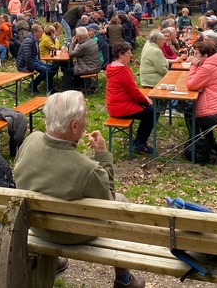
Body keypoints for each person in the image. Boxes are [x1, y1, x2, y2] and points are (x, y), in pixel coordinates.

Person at [13, 91, 145, 288]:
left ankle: (54, 260)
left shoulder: (31, 140)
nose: (86, 120)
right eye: (84, 116)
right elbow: (108, 204)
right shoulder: (88, 169)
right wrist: (102, 155)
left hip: (38, 227)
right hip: (71, 234)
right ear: (74, 126)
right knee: (121, 200)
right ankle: (123, 279)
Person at [106, 42, 157, 154]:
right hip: (121, 108)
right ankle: (140, 144)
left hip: (113, 105)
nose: (131, 55)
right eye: (128, 53)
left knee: (147, 110)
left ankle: (138, 141)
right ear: (121, 54)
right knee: (153, 112)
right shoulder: (123, 70)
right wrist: (146, 100)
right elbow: (134, 92)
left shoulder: (111, 67)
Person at [16, 24, 56, 94]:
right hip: (25, 64)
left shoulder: (36, 40)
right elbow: (27, 58)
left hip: (35, 61)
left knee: (54, 67)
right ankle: (32, 85)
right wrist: (31, 69)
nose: (42, 33)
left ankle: (49, 88)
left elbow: (36, 55)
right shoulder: (29, 41)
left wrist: (40, 62)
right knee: (46, 70)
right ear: (35, 32)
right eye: (40, 31)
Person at [61, 27, 101, 91]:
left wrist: (72, 43)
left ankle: (64, 90)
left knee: (67, 71)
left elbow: (71, 54)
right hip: (95, 66)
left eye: (76, 34)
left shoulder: (84, 46)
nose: (75, 36)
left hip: (88, 68)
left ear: (79, 37)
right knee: (72, 69)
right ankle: (77, 86)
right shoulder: (92, 41)